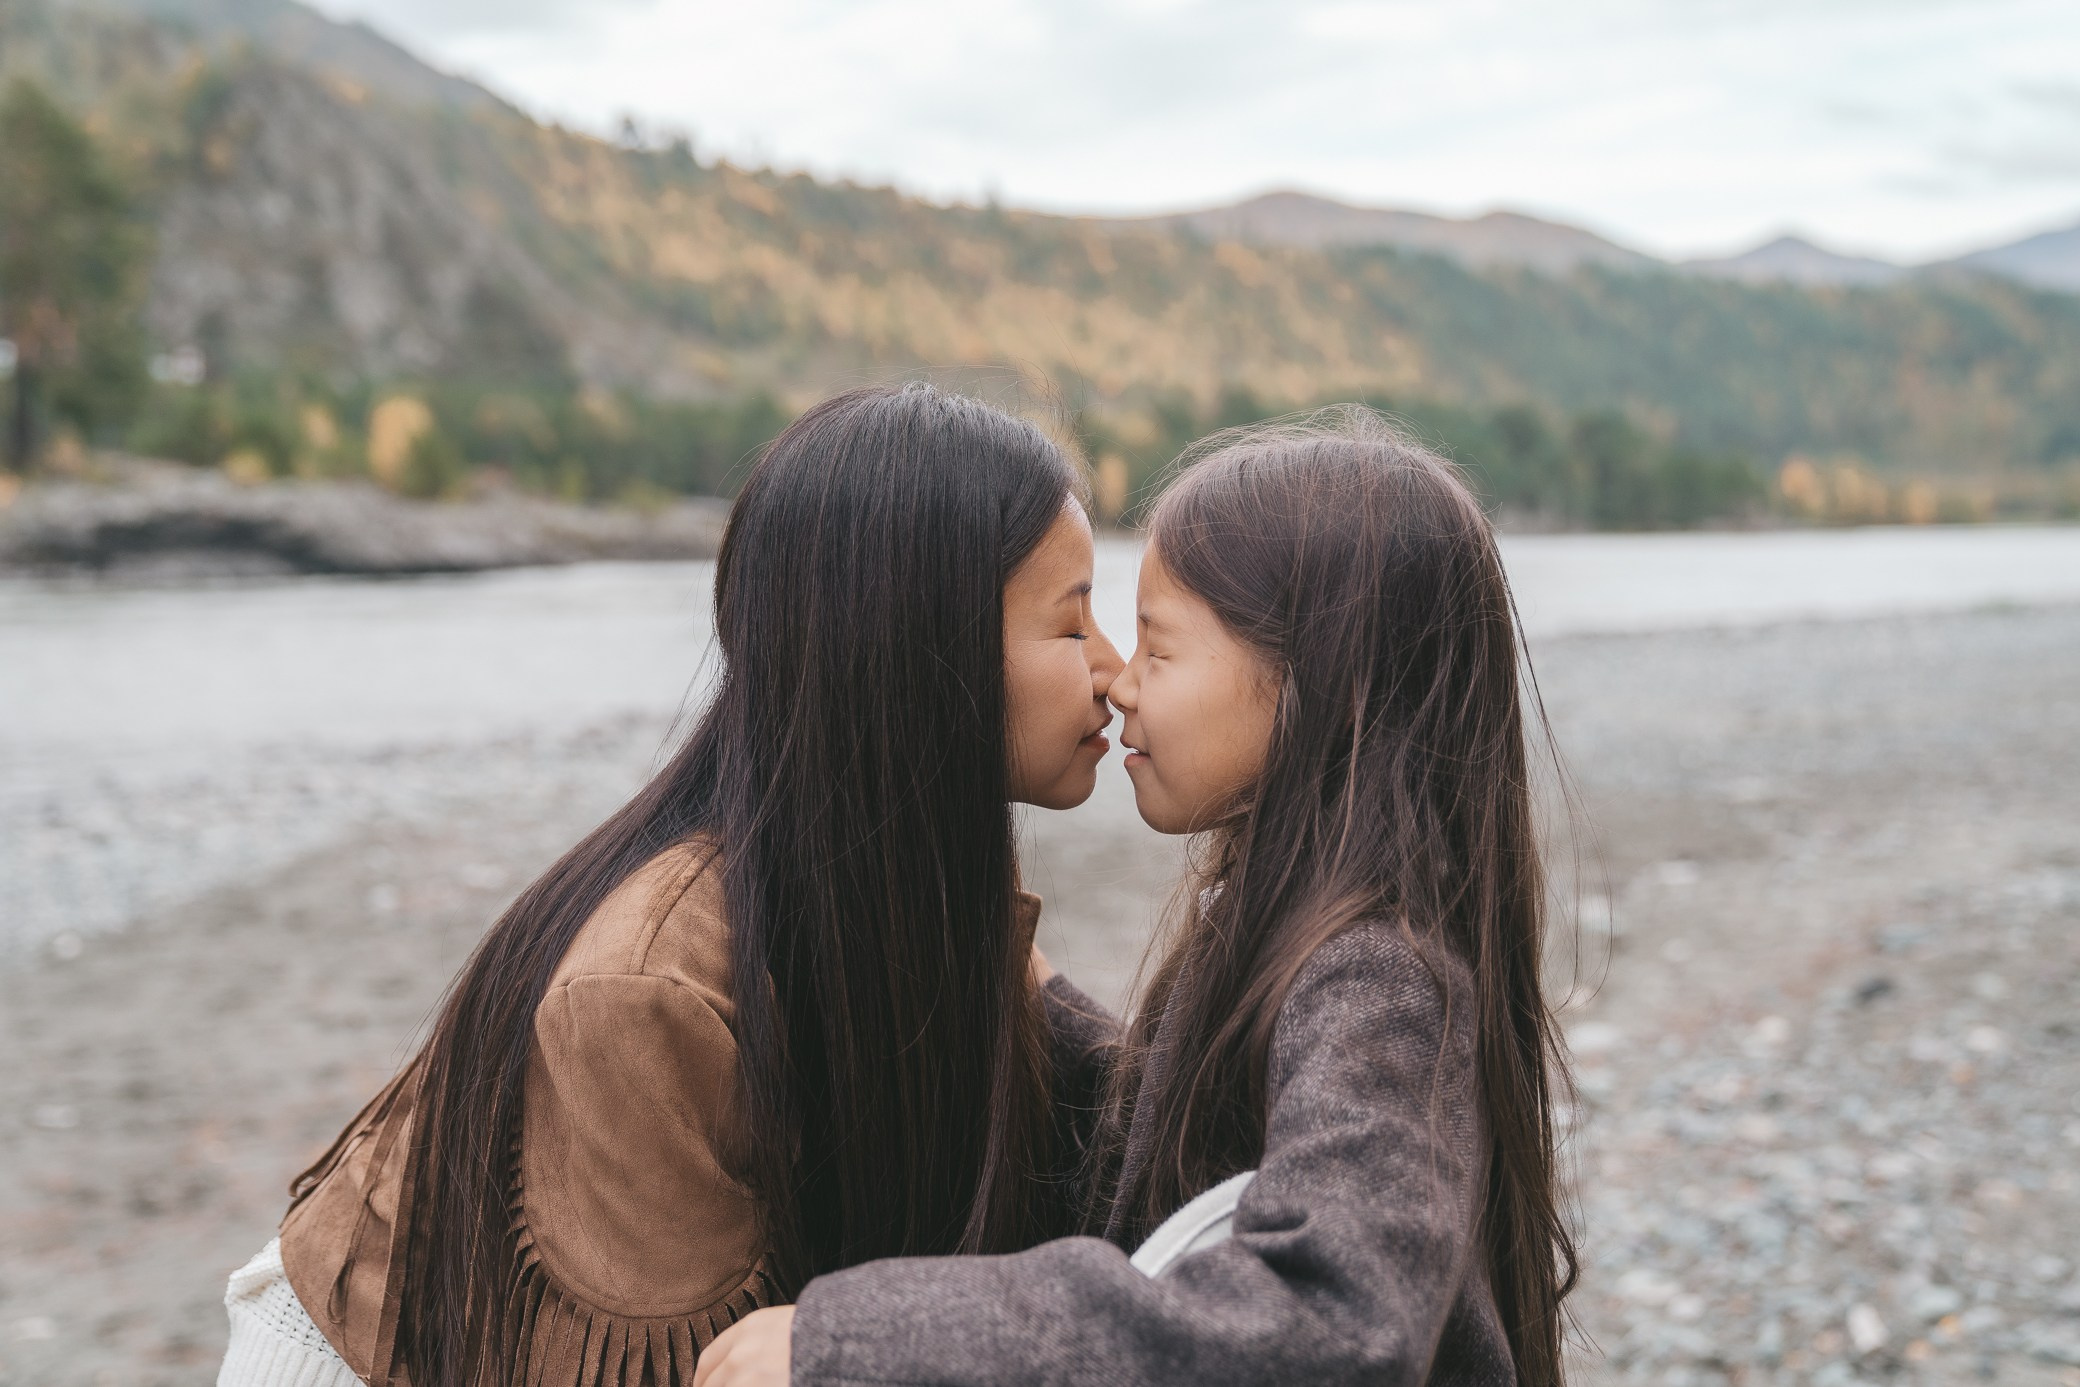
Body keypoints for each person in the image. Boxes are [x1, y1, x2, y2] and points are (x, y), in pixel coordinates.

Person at [214, 383, 1126, 1387]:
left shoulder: (907, 885)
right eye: (1072, 625)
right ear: (917, 650)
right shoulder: (647, 992)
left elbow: (1128, 1106)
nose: (1116, 671)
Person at [696, 409, 1579, 1387]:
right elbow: (1188, 1149)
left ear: (1318, 686)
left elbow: (1326, 1313)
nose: (1117, 682)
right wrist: (1036, 995)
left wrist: (857, 1342)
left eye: (1158, 649)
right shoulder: (1315, 929)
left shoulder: (1378, 973)